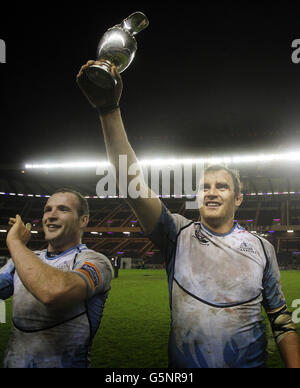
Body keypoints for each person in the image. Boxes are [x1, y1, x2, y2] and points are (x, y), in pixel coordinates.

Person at [76, 60, 300, 368]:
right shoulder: (177, 233)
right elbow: (132, 186)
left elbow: (282, 321)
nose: (210, 191)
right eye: (204, 186)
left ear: (238, 199)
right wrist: (108, 110)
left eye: (221, 187)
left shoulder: (262, 248)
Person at [0, 188, 113, 368]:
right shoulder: (22, 261)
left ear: (83, 220)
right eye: (47, 209)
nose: (51, 216)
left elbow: (53, 292)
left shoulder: (95, 262)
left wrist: (15, 242)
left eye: (63, 209)